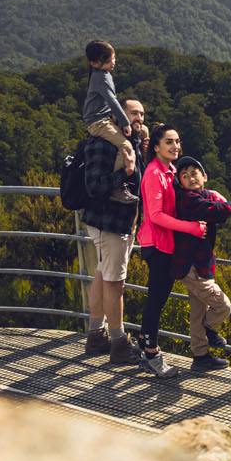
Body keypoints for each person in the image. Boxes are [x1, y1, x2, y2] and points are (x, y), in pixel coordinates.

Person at [79, 97, 148, 361]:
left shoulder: (129, 143)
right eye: (133, 113)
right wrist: (124, 173)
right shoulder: (104, 143)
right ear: (117, 114)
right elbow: (95, 186)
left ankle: (96, 336)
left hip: (120, 222)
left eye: (142, 113)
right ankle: (119, 343)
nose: (139, 118)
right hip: (109, 222)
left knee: (102, 273)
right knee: (115, 282)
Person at [134, 123, 205, 378]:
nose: (176, 146)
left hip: (167, 244)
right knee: (156, 299)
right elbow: (155, 215)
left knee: (158, 298)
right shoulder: (154, 173)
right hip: (157, 244)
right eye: (169, 142)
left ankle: (143, 341)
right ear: (156, 147)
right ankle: (151, 354)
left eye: (177, 141)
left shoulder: (170, 170)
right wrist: (190, 228)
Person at [171, 156, 231, 372]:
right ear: (180, 183)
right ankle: (209, 328)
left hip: (198, 265)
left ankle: (200, 356)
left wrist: (216, 196)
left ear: (204, 177)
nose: (190, 178)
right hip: (192, 268)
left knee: (197, 311)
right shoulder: (187, 201)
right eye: (184, 176)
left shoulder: (202, 196)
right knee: (222, 306)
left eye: (194, 173)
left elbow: (210, 201)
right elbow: (215, 211)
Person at [82, 39, 138, 204]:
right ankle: (117, 187)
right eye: (109, 60)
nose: (113, 62)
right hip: (98, 123)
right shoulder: (102, 77)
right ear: (94, 63)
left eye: (113, 58)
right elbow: (112, 101)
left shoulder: (102, 75)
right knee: (126, 146)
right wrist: (125, 122)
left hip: (102, 118)